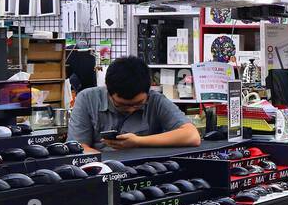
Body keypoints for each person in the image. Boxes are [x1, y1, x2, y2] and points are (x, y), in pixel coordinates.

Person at [67, 55, 201, 153]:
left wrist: (138, 141)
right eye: (122, 105)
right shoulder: (87, 98)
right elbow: (78, 147)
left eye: (138, 104)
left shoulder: (155, 100)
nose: (131, 110)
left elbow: (191, 136)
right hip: (100, 171)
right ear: (108, 90)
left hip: (147, 169)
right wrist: (109, 165)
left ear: (149, 90)